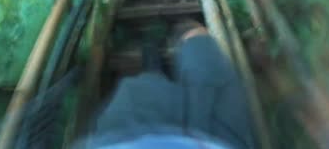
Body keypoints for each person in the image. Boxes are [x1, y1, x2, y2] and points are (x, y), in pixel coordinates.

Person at [74, 21, 256, 149]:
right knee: (194, 36)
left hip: (126, 136)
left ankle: (152, 55)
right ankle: (157, 51)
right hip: (219, 141)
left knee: (148, 85)